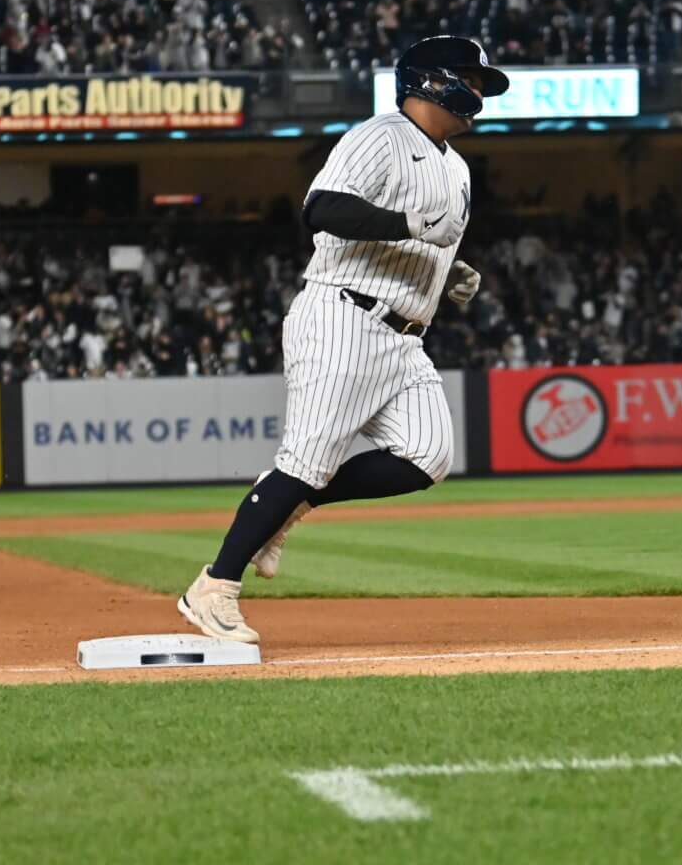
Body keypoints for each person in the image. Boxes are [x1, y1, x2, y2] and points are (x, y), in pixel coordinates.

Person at [176, 35, 505, 645]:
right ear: (433, 80)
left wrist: (448, 269)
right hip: (344, 318)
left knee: (427, 455)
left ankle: (290, 510)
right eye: (472, 78)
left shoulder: (455, 167)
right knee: (304, 461)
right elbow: (322, 208)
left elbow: (423, 237)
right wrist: (410, 229)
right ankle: (213, 588)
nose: (480, 91)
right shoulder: (379, 136)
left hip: (405, 338)